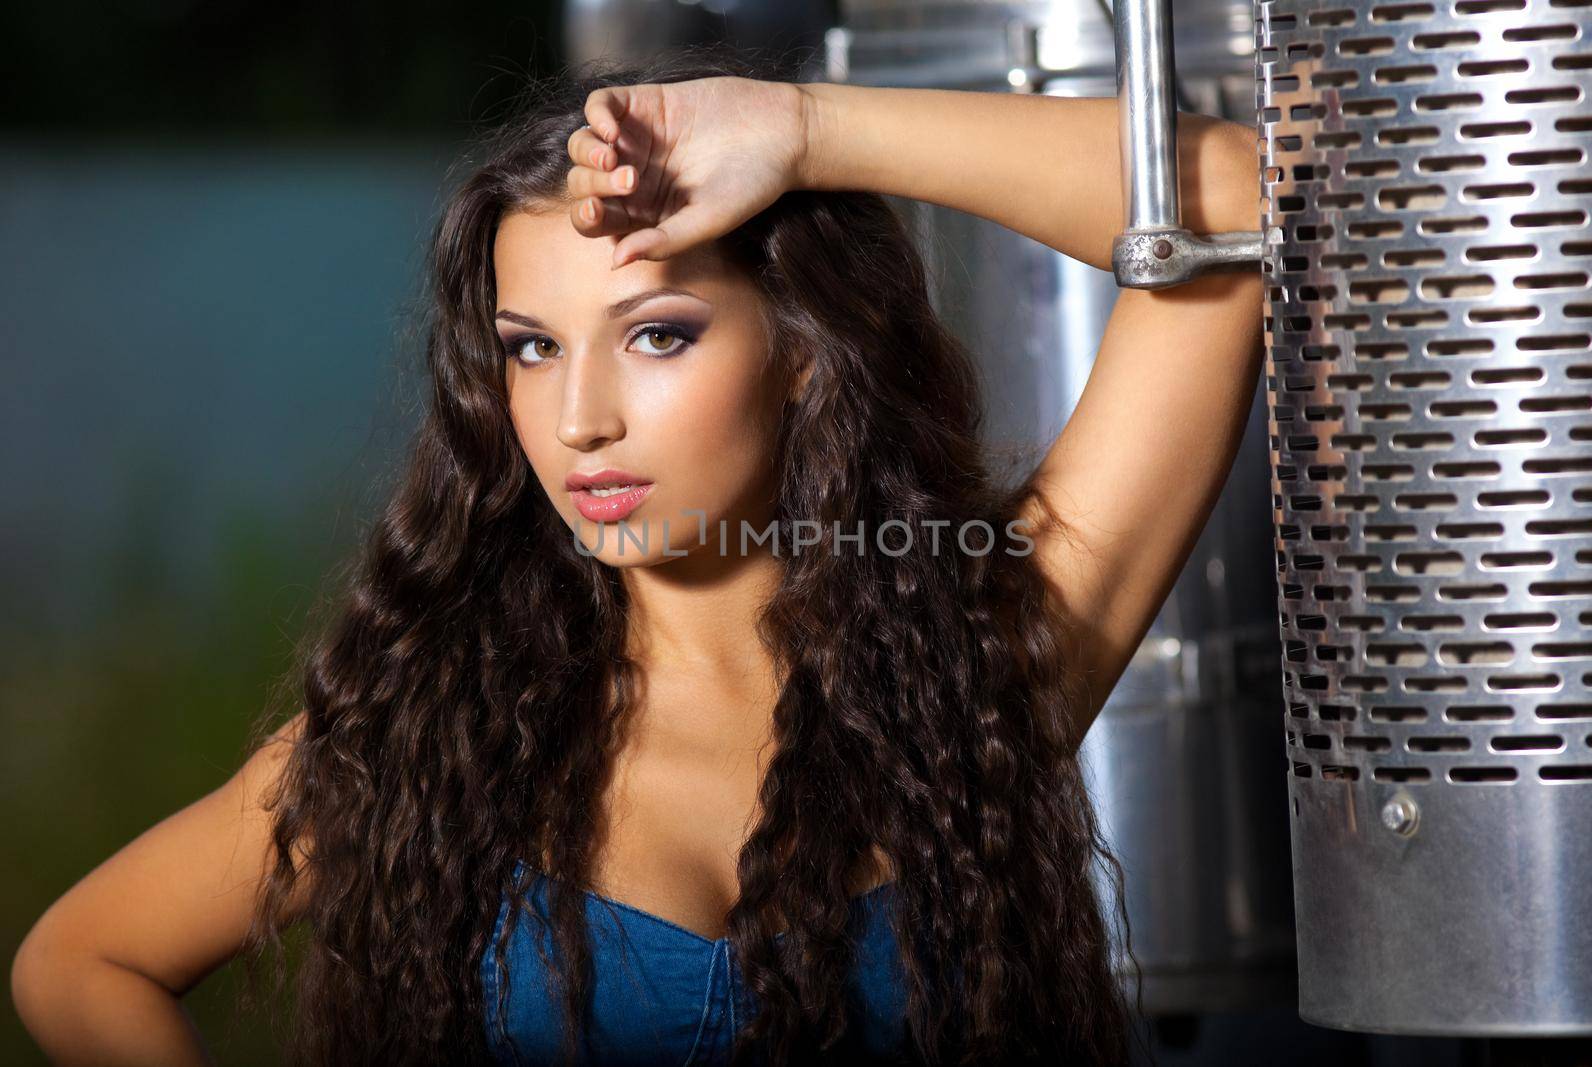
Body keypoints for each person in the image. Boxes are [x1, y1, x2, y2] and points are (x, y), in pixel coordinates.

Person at [10, 43, 1264, 1067]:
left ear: (807, 352)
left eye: (656, 336)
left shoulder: (983, 659)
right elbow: (81, 961)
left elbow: (1233, 199)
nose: (577, 419)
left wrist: (804, 132)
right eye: (532, 347)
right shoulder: (434, 724)